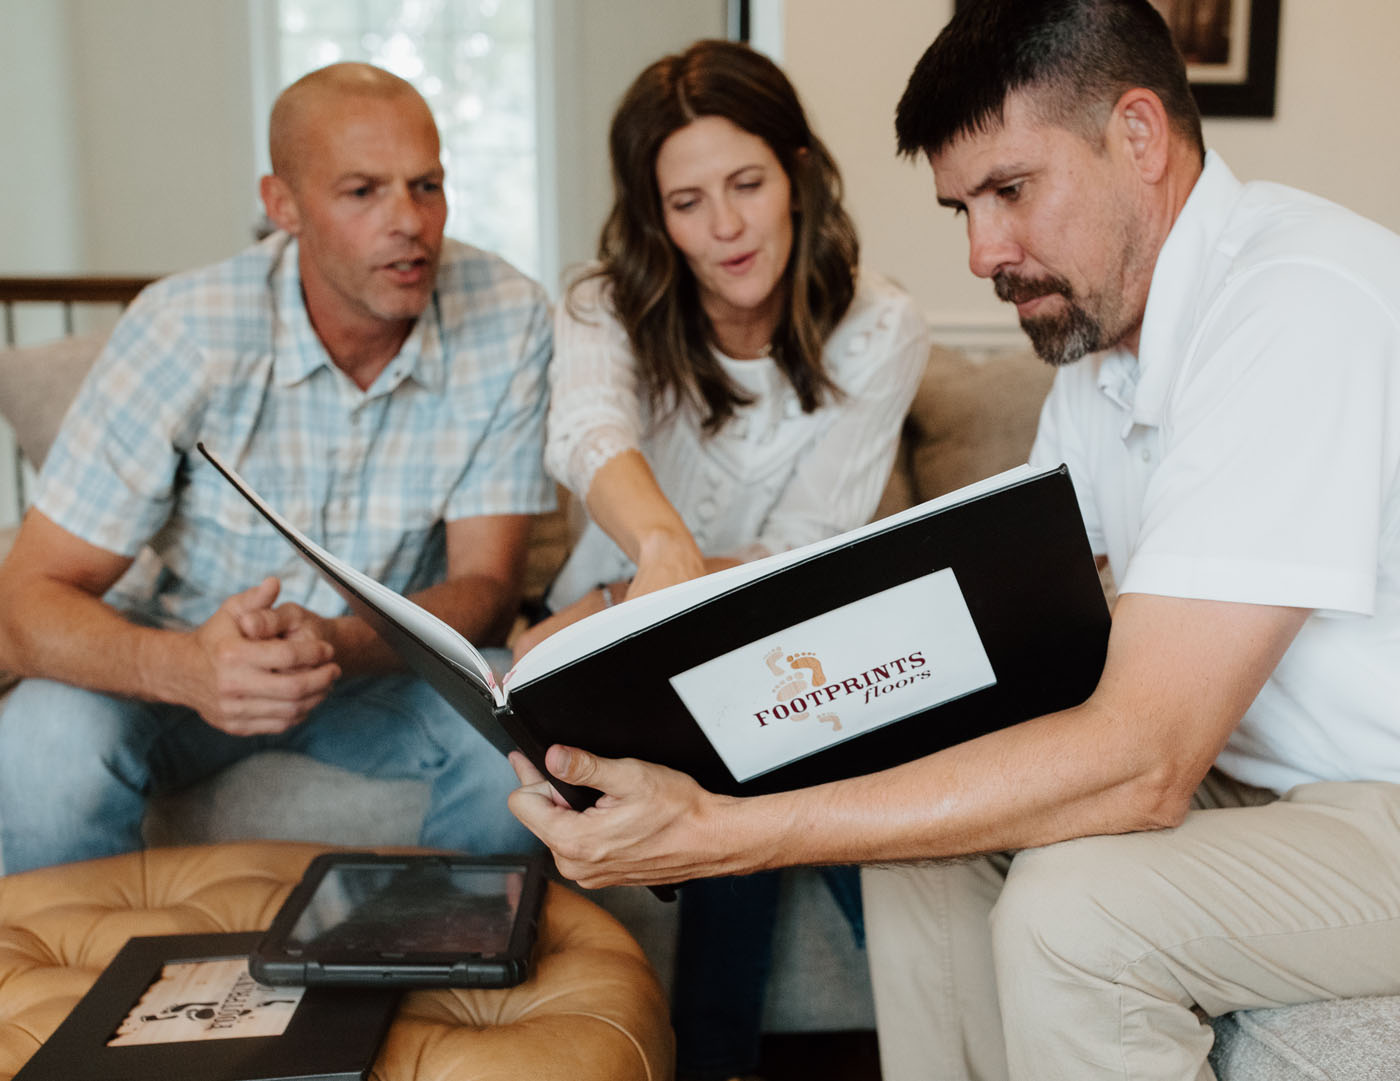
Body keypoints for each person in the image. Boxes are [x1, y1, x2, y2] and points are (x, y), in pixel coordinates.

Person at [506, 4, 1400, 1080]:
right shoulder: (1099, 354)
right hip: (1252, 772)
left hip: (1370, 798)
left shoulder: (1292, 307)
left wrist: (729, 827)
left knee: (1074, 911)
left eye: (1010, 191)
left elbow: (1146, 759)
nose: (983, 251)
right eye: (960, 208)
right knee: (921, 850)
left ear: (1137, 135)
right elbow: (1078, 618)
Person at [0, 62, 553, 874]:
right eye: (363, 191)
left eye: (426, 185)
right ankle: (81, 993)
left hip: (379, 664)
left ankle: (437, 968)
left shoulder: (508, 317)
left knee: (519, 728)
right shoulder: (185, 327)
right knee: (43, 739)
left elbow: (488, 584)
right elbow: (25, 598)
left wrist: (337, 639)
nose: (409, 222)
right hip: (185, 651)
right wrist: (182, 666)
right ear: (282, 206)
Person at [514, 39, 929, 1081]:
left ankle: (727, 1060)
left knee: (746, 734)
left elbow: (803, 551)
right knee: (737, 739)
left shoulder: (880, 326)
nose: (727, 226)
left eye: (747, 183)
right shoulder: (603, 309)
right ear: (652, 214)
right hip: (608, 635)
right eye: (687, 201)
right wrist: (651, 556)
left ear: (798, 169)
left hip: (777, 633)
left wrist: (666, 582)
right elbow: (585, 433)